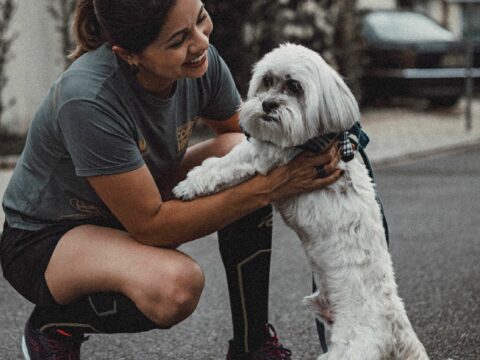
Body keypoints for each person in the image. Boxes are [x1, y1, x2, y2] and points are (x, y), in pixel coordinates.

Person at [0, 0, 344, 359]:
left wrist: (320, 145)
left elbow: (248, 143)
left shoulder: (201, 61)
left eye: (200, 19)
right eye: (178, 40)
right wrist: (271, 187)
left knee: (239, 151)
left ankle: (252, 346)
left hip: (128, 206)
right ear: (130, 55)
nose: (199, 43)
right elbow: (152, 226)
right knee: (175, 287)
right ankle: (55, 324)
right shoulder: (88, 98)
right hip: (45, 239)